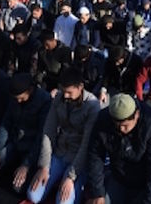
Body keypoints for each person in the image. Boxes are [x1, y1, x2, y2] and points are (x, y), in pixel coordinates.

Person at [28, 67, 100, 204]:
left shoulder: (92, 106)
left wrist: (71, 177)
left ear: (80, 87)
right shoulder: (59, 99)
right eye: (63, 91)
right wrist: (44, 166)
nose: (66, 96)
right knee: (33, 195)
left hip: (78, 159)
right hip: (59, 153)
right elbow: (48, 131)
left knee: (63, 202)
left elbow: (86, 145)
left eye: (69, 92)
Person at [85, 93, 151, 204]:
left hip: (144, 182)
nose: (121, 129)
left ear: (137, 115)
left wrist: (150, 201)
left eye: (125, 125)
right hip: (118, 177)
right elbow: (95, 156)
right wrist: (97, 192)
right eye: (117, 125)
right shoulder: (103, 120)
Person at [0, 73, 51, 194]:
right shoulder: (14, 99)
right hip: (15, 143)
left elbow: (41, 138)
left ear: (30, 90)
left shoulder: (44, 101)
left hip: (31, 148)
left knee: (18, 187)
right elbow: (5, 124)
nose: (18, 101)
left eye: (21, 98)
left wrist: (26, 165)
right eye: (16, 98)